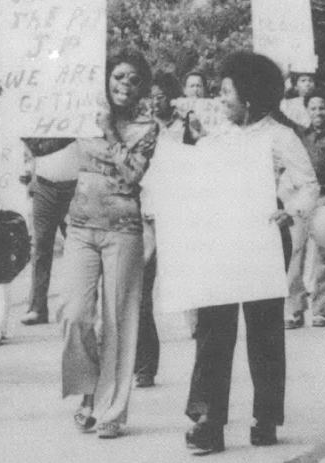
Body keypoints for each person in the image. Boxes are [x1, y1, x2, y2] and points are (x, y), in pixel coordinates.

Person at [184, 52, 318, 455]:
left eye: (227, 90)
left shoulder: (279, 136)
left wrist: (289, 209)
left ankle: (266, 417)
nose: (220, 98)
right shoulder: (216, 134)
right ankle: (209, 421)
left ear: (251, 96)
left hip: (263, 239)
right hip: (221, 240)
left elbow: (308, 184)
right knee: (212, 329)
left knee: (264, 331)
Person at [61, 48, 158, 439]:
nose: (125, 86)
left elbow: (134, 174)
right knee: (75, 314)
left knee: (119, 322)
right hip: (81, 225)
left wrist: (111, 131)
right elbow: (43, 146)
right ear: (106, 78)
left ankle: (111, 411)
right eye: (119, 77)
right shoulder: (81, 112)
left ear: (142, 89)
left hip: (123, 230)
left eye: (134, 81)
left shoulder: (147, 126)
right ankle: (88, 392)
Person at [134, 70, 184, 389]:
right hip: (147, 215)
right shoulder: (144, 130)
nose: (154, 102)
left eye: (159, 96)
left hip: (178, 217)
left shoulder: (187, 127)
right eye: (149, 97)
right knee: (140, 293)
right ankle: (144, 366)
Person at [285, 88, 325, 329]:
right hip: (302, 197)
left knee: (324, 254)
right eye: (313, 108)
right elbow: (280, 118)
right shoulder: (300, 134)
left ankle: (320, 310)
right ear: (307, 110)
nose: (317, 112)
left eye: (321, 108)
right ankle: (295, 309)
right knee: (296, 252)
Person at [19, 138, 80, 326]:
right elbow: (29, 150)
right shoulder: (41, 118)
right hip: (44, 186)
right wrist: (29, 174)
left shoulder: (78, 114)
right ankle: (37, 307)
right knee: (41, 248)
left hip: (76, 188)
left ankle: (79, 307)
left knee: (80, 248)